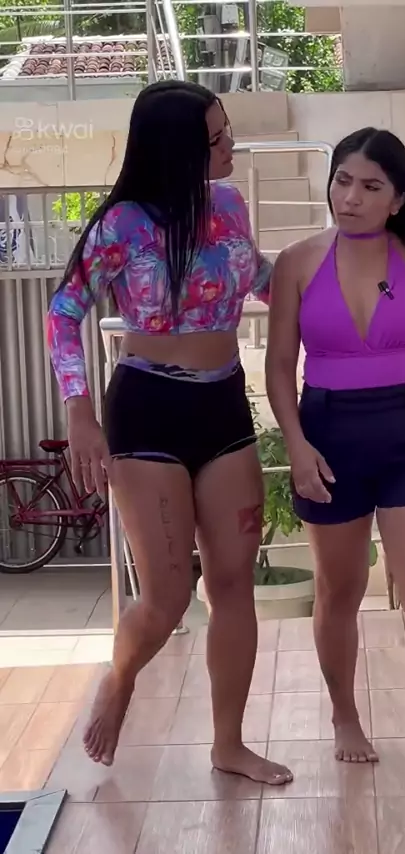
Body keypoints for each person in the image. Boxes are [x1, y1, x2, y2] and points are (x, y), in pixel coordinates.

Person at [47, 80, 293, 786]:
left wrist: (332, 280)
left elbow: (258, 277)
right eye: (216, 138)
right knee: (166, 599)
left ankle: (229, 744)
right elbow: (64, 311)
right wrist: (79, 412)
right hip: (148, 409)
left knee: (233, 583)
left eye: (227, 130)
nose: (231, 145)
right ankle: (120, 678)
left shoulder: (228, 205)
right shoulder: (121, 225)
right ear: (178, 150)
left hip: (223, 405)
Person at [265, 126, 405, 793]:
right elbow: (279, 366)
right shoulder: (297, 261)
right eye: (342, 180)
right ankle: (344, 716)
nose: (351, 197)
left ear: (398, 198)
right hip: (329, 435)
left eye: (370, 185)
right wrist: (296, 444)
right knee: (340, 590)